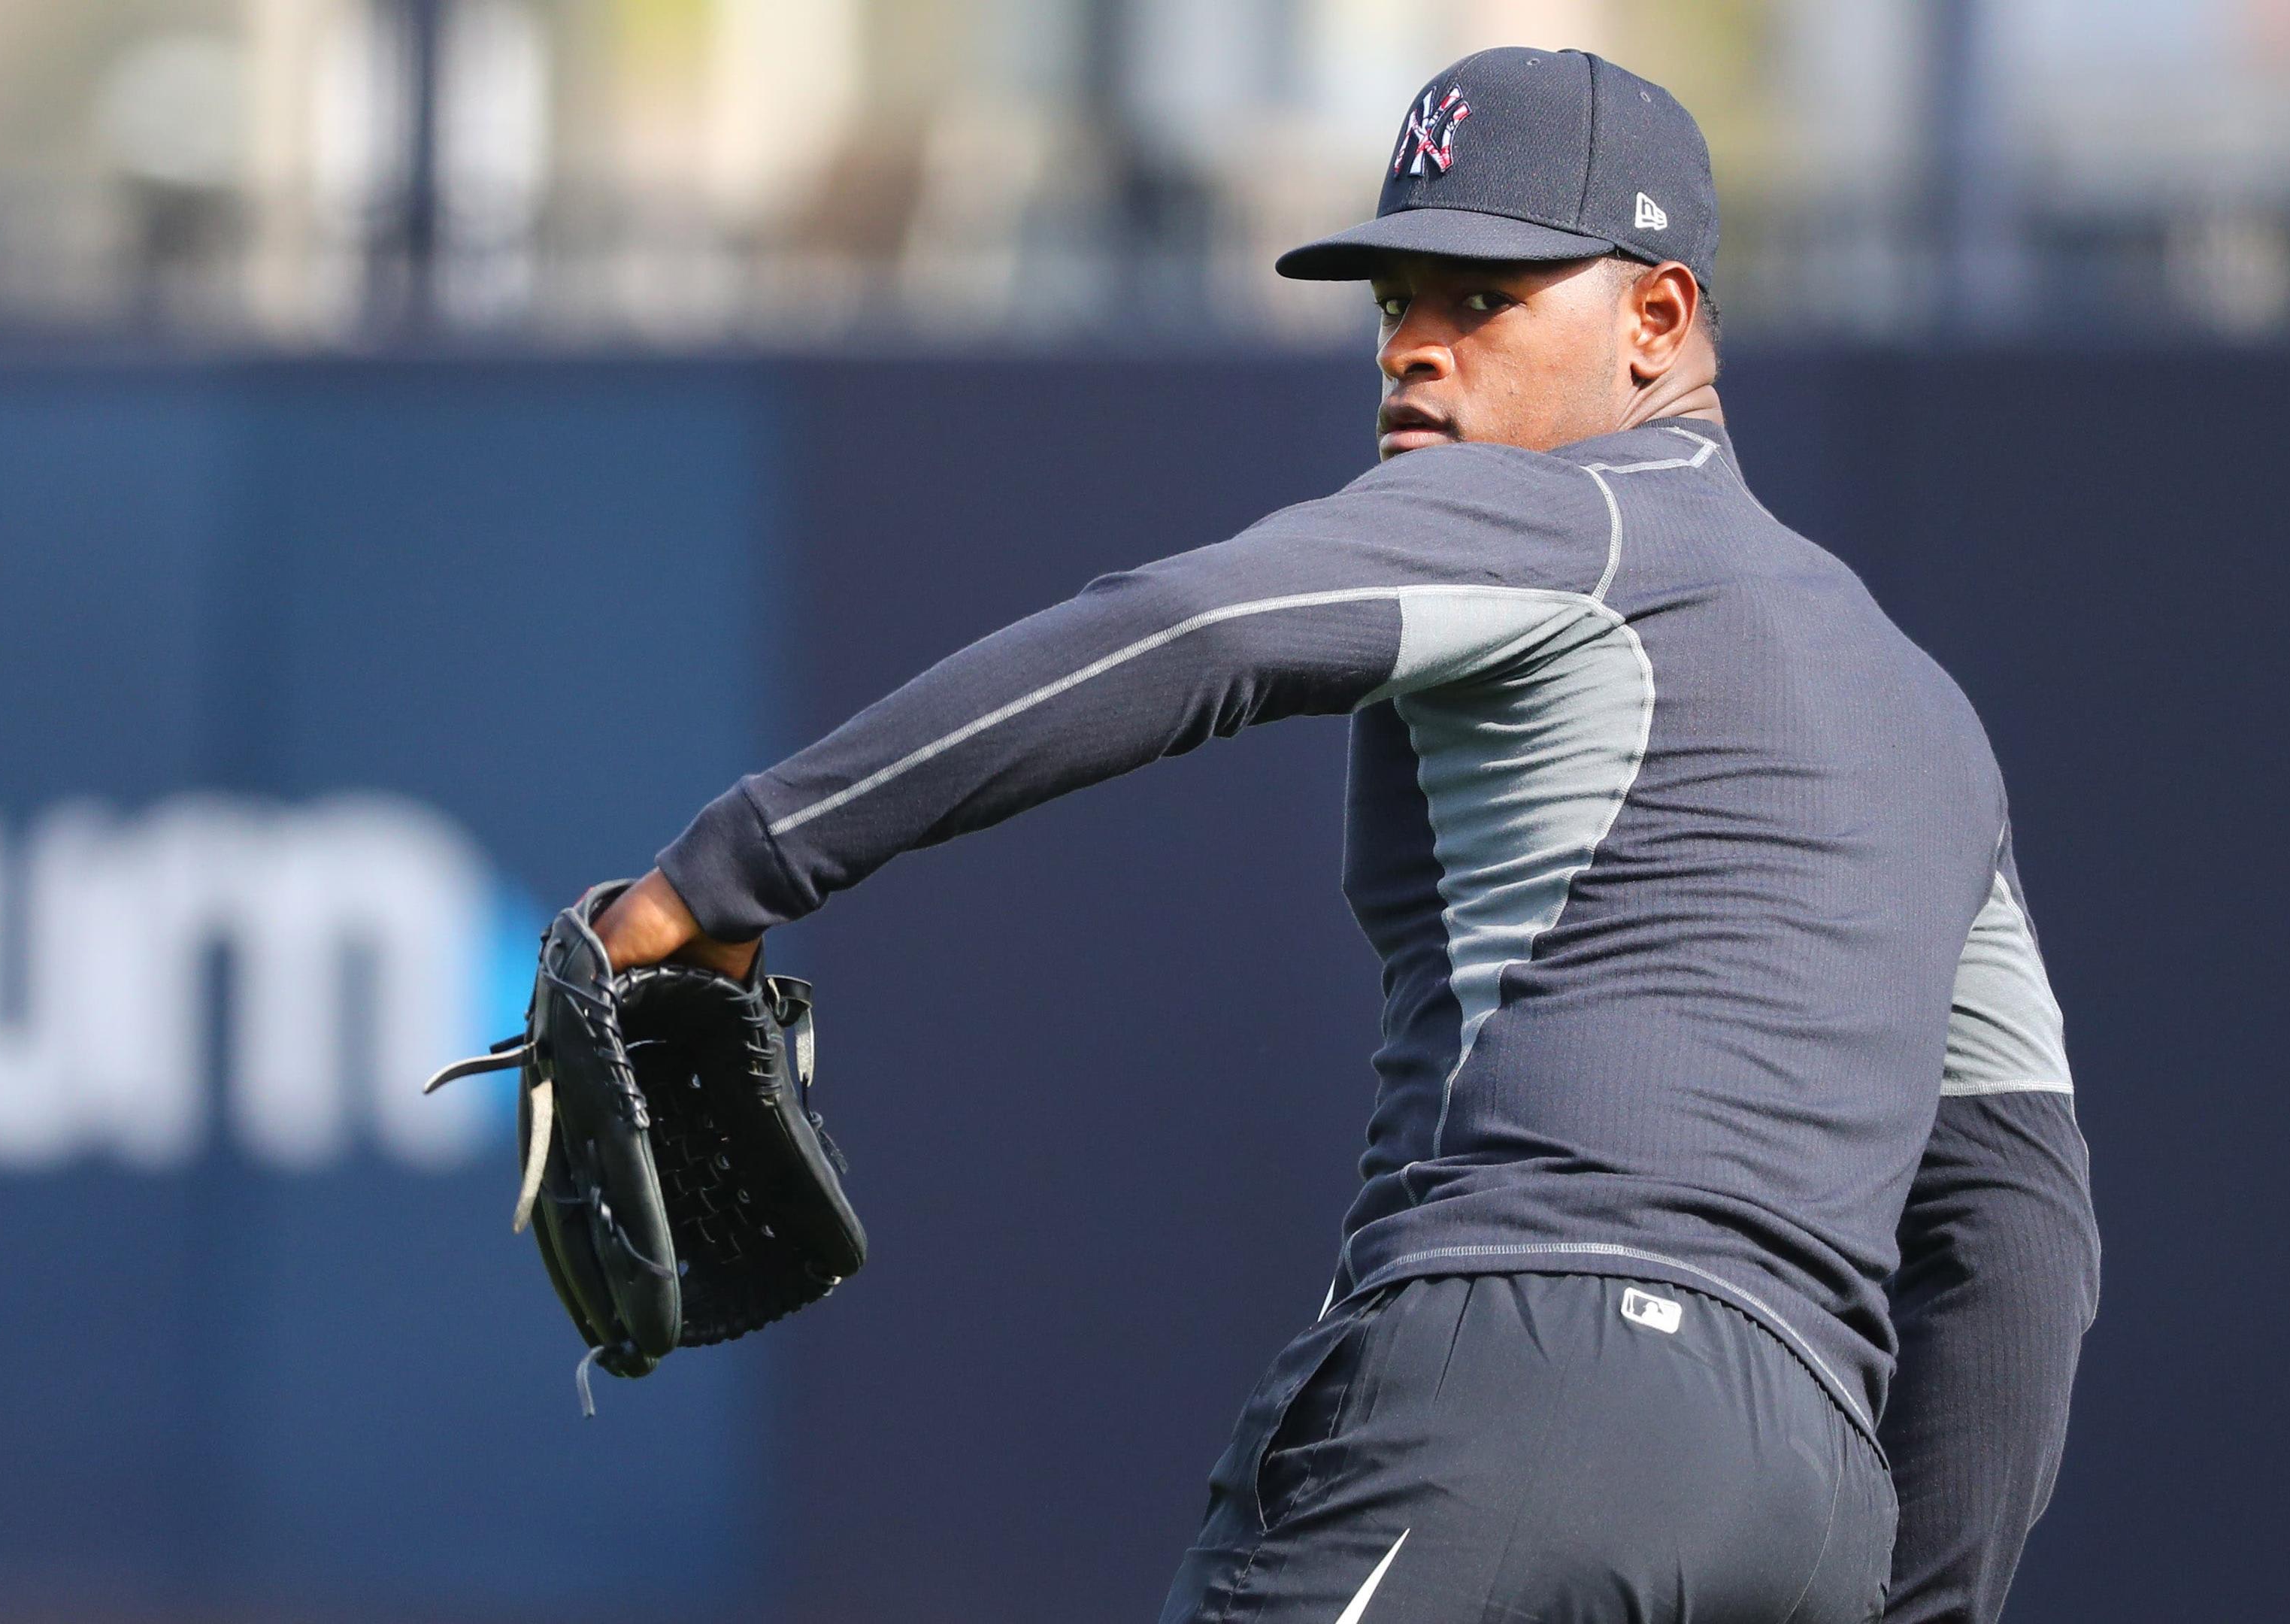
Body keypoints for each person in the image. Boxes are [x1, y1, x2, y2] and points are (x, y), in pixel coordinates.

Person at [590, 47, 2098, 1624]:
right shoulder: (1932, 725)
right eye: (1397, 300)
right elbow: (2019, 1242)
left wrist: (742, 859)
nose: (1416, 353)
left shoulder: (1566, 518)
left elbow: (1188, 630)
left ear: (1656, 321)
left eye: (1486, 298)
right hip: (1809, 1497)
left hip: (1520, 1395)